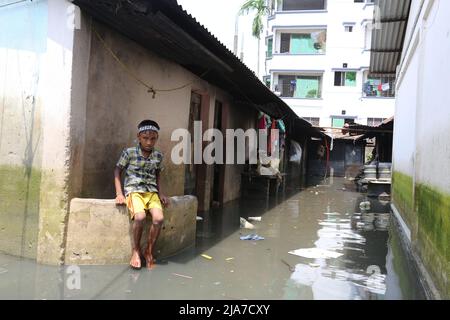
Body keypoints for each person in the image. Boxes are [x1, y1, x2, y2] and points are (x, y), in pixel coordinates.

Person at [114, 120, 169, 270]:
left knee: (159, 218)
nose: (149, 142)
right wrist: (119, 194)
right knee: (140, 217)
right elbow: (117, 171)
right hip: (134, 191)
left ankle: (149, 251)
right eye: (145, 138)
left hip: (151, 192)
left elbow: (158, 174)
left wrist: (160, 193)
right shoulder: (129, 152)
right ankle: (136, 250)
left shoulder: (158, 155)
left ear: (156, 138)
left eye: (153, 139)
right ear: (139, 137)